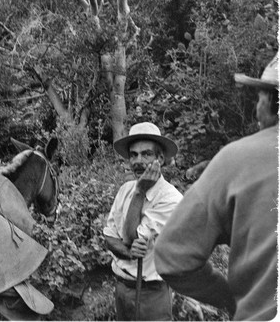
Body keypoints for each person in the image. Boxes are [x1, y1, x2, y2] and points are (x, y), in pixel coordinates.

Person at [154, 53, 278, 321]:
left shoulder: (238, 160)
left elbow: (171, 256)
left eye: (260, 98)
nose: (256, 109)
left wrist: (232, 300)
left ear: (274, 103)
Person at [103, 122, 183, 321]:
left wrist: (140, 192)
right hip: (122, 288)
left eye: (146, 154)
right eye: (133, 154)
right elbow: (109, 238)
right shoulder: (125, 190)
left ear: (161, 158)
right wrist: (129, 253)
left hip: (150, 294)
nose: (138, 161)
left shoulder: (171, 200)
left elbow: (129, 238)